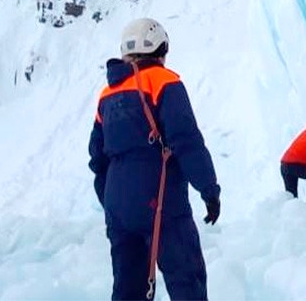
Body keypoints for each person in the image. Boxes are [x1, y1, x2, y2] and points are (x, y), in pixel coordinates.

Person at [88, 18, 221, 301]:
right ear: (160, 49)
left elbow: (97, 157)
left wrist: (111, 201)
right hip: (159, 198)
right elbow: (187, 141)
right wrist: (209, 190)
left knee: (128, 287)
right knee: (187, 277)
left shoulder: (107, 94)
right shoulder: (164, 82)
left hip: (117, 204)